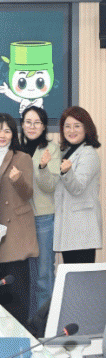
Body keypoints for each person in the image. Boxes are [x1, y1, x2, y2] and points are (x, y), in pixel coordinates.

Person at [0, 112, 37, 326]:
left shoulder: (22, 157)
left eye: (7, 131)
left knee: (17, 290)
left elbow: (28, 194)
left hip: (15, 231)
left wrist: (17, 180)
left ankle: (21, 334)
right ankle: (2, 335)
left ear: (13, 134)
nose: (2, 135)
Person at [20, 106, 60, 315]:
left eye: (37, 122)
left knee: (44, 275)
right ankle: (31, 322)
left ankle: (46, 322)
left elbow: (50, 186)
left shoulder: (51, 149)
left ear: (44, 126)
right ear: (22, 124)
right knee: (28, 274)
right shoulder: (17, 149)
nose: (32, 126)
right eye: (28, 122)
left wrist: (43, 167)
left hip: (44, 218)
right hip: (22, 220)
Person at [54, 106, 102, 264]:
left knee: (81, 276)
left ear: (86, 128)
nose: (71, 130)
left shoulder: (89, 154)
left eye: (77, 126)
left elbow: (77, 188)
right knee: (71, 273)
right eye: (67, 126)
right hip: (70, 228)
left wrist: (67, 172)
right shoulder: (66, 152)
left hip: (82, 229)